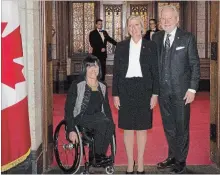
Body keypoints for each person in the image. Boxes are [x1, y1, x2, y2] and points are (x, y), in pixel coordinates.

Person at [152, 5, 200, 174]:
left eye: (169, 18)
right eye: (163, 19)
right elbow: (151, 65)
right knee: (169, 127)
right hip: (163, 92)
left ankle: (180, 160)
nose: (165, 21)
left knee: (181, 127)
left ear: (177, 19)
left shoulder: (187, 38)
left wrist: (192, 89)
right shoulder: (156, 38)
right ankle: (172, 156)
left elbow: (194, 65)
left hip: (182, 93)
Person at [112, 15, 159, 174]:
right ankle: (129, 162)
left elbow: (155, 72)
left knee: (141, 127)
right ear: (128, 28)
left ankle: (140, 161)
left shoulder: (151, 45)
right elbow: (116, 72)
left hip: (144, 89)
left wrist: (155, 94)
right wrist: (115, 94)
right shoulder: (121, 46)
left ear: (142, 27)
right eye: (130, 25)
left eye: (136, 25)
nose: (133, 28)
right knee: (127, 127)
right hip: (125, 89)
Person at [64, 56, 115, 165]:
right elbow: (68, 108)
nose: (93, 69)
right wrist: (71, 129)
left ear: (99, 68)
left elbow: (106, 108)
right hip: (81, 117)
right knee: (103, 122)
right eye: (89, 67)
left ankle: (98, 155)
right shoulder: (77, 85)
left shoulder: (103, 86)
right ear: (84, 69)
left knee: (109, 124)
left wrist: (111, 125)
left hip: (98, 118)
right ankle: (98, 157)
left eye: (95, 66)